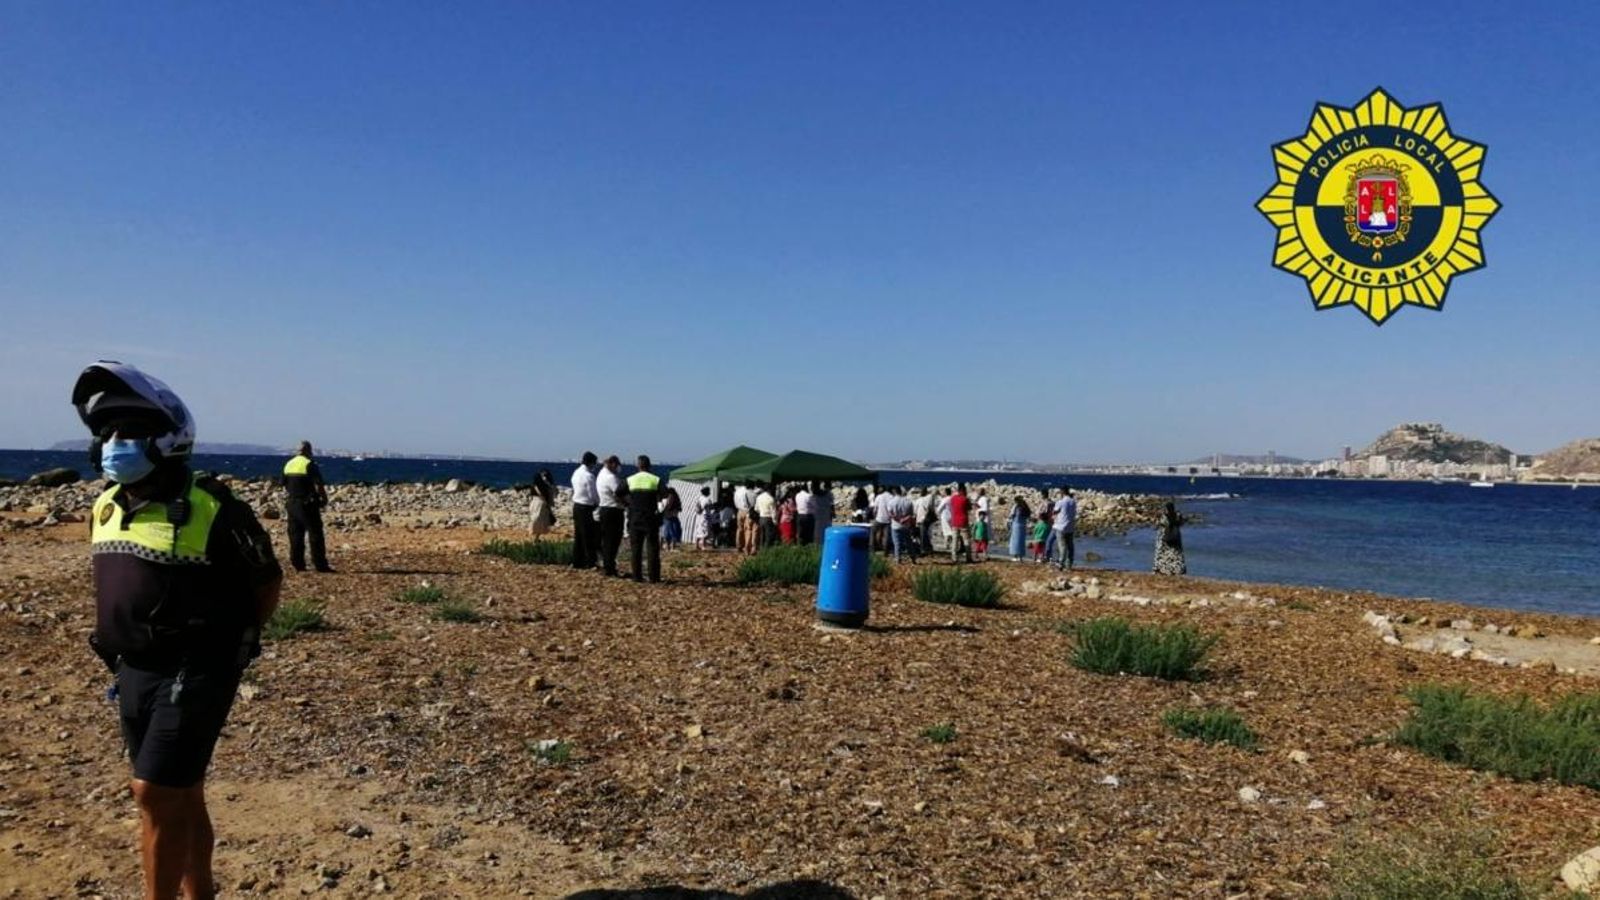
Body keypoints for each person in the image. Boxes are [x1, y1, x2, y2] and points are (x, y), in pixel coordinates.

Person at [72, 362, 283, 900]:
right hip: (132, 670)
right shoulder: (105, 506)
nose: (115, 443)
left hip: (197, 669)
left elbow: (265, 581)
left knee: (152, 792)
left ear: (168, 439)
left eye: (130, 432)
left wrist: (229, 647)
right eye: (107, 432)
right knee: (180, 793)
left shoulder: (214, 508)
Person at [280, 440, 332, 572]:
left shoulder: (289, 464)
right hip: (307, 503)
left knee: (295, 534)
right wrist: (324, 498)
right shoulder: (309, 464)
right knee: (315, 534)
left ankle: (298, 563)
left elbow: (283, 483)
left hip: (292, 503)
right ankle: (320, 564)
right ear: (308, 451)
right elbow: (318, 484)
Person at [620, 455, 664, 582]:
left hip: (635, 517)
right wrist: (661, 511)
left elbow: (617, 492)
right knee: (652, 549)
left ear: (637, 466)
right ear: (649, 466)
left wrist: (627, 504)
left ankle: (637, 576)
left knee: (636, 549)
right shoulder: (655, 480)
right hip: (650, 517)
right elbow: (666, 495)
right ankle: (654, 577)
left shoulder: (630, 479)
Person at [569, 452, 600, 569]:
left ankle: (577, 561)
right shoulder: (589, 476)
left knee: (578, 534)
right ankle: (590, 562)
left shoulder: (576, 473)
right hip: (586, 506)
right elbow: (593, 493)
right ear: (591, 462)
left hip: (576, 505)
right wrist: (597, 503)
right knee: (588, 536)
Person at [596, 455, 626, 577]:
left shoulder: (601, 475)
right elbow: (619, 494)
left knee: (607, 540)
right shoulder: (611, 478)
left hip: (604, 509)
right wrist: (628, 503)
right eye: (617, 464)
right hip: (613, 510)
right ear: (612, 464)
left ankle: (608, 565)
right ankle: (609, 568)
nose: (618, 467)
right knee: (612, 540)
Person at [1154, 501, 1187, 575]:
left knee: (1162, 554)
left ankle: (1162, 569)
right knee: (1176, 554)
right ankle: (1177, 569)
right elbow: (1182, 523)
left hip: (1164, 535)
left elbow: (1157, 524)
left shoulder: (1163, 516)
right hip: (1175, 536)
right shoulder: (1177, 515)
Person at [1052, 485, 1079, 571]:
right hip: (1070, 526)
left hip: (1061, 526)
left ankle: (1061, 563)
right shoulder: (1073, 501)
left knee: (1062, 546)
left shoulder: (1061, 502)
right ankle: (1069, 564)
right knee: (1070, 546)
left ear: (1062, 492)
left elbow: (1054, 511)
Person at [890, 486, 919, 563]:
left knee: (897, 543)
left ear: (894, 492)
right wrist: (904, 519)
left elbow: (891, 514)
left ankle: (898, 559)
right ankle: (913, 558)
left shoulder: (892, 501)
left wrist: (898, 520)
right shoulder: (908, 501)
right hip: (906, 525)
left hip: (895, 525)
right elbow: (911, 515)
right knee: (909, 542)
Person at [528, 468, 557, 539]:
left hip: (539, 503)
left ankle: (536, 537)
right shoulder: (540, 485)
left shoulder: (545, 485)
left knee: (540, 520)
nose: (544, 477)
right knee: (538, 519)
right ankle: (535, 536)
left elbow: (553, 492)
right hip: (539, 502)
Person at [948, 482, 972, 563]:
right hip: (963, 521)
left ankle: (954, 557)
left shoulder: (953, 498)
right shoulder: (965, 499)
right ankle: (968, 557)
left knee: (955, 540)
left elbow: (951, 507)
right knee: (966, 540)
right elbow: (969, 508)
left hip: (954, 521)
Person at [871, 484, 896, 554]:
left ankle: (872, 548)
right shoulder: (892, 497)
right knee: (886, 536)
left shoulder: (879, 496)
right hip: (888, 519)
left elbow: (875, 509)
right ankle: (885, 551)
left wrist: (874, 517)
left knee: (873, 532)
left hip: (879, 518)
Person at [755, 483, 779, 549]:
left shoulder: (759, 497)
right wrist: (775, 522)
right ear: (769, 489)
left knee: (762, 535)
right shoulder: (771, 499)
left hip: (761, 518)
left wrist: (761, 512)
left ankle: (761, 548)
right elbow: (773, 512)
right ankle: (767, 550)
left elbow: (756, 509)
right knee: (768, 536)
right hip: (768, 518)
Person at [913, 488, 936, 557]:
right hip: (928, 519)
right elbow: (932, 508)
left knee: (923, 535)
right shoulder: (928, 499)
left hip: (920, 519)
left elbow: (915, 511)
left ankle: (924, 550)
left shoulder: (918, 500)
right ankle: (928, 549)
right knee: (925, 534)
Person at [659, 485, 682, 550]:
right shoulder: (676, 499)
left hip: (668, 517)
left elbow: (667, 506)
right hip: (672, 517)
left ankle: (668, 546)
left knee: (667, 533)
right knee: (671, 532)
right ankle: (670, 546)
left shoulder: (670, 496)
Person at [1008, 497, 1032, 562]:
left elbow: (1012, 515)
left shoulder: (1016, 507)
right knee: (1021, 542)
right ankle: (1020, 557)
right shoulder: (1025, 508)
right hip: (1023, 526)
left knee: (1015, 541)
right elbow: (1028, 517)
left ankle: (1015, 556)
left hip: (1016, 525)